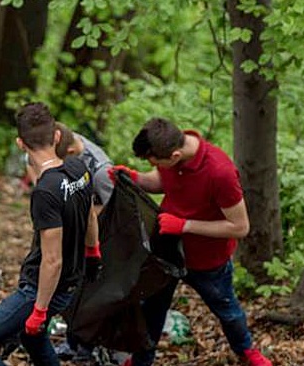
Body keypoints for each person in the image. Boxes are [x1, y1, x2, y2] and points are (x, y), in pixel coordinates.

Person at [109, 118, 272, 366]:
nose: (154, 166)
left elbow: (240, 226)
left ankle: (246, 350)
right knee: (151, 309)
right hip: (166, 250)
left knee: (227, 310)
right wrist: (135, 178)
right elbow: (162, 181)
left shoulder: (220, 173)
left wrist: (185, 226)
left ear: (175, 155)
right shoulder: (168, 148)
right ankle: (142, 360)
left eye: (155, 162)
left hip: (207, 260)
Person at [0, 102, 98, 366]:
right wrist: (93, 252)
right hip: (70, 282)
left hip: (42, 290)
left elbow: (52, 260)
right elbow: (90, 216)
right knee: (33, 339)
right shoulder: (79, 169)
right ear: (57, 136)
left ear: (20, 144)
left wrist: (39, 311)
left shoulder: (45, 192)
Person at [49, 122, 114, 361]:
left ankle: (88, 345)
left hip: (97, 239)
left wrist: (84, 215)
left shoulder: (100, 171)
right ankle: (72, 341)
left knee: (90, 293)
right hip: (72, 234)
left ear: (70, 154)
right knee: (71, 291)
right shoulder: (64, 139)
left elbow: (115, 211)